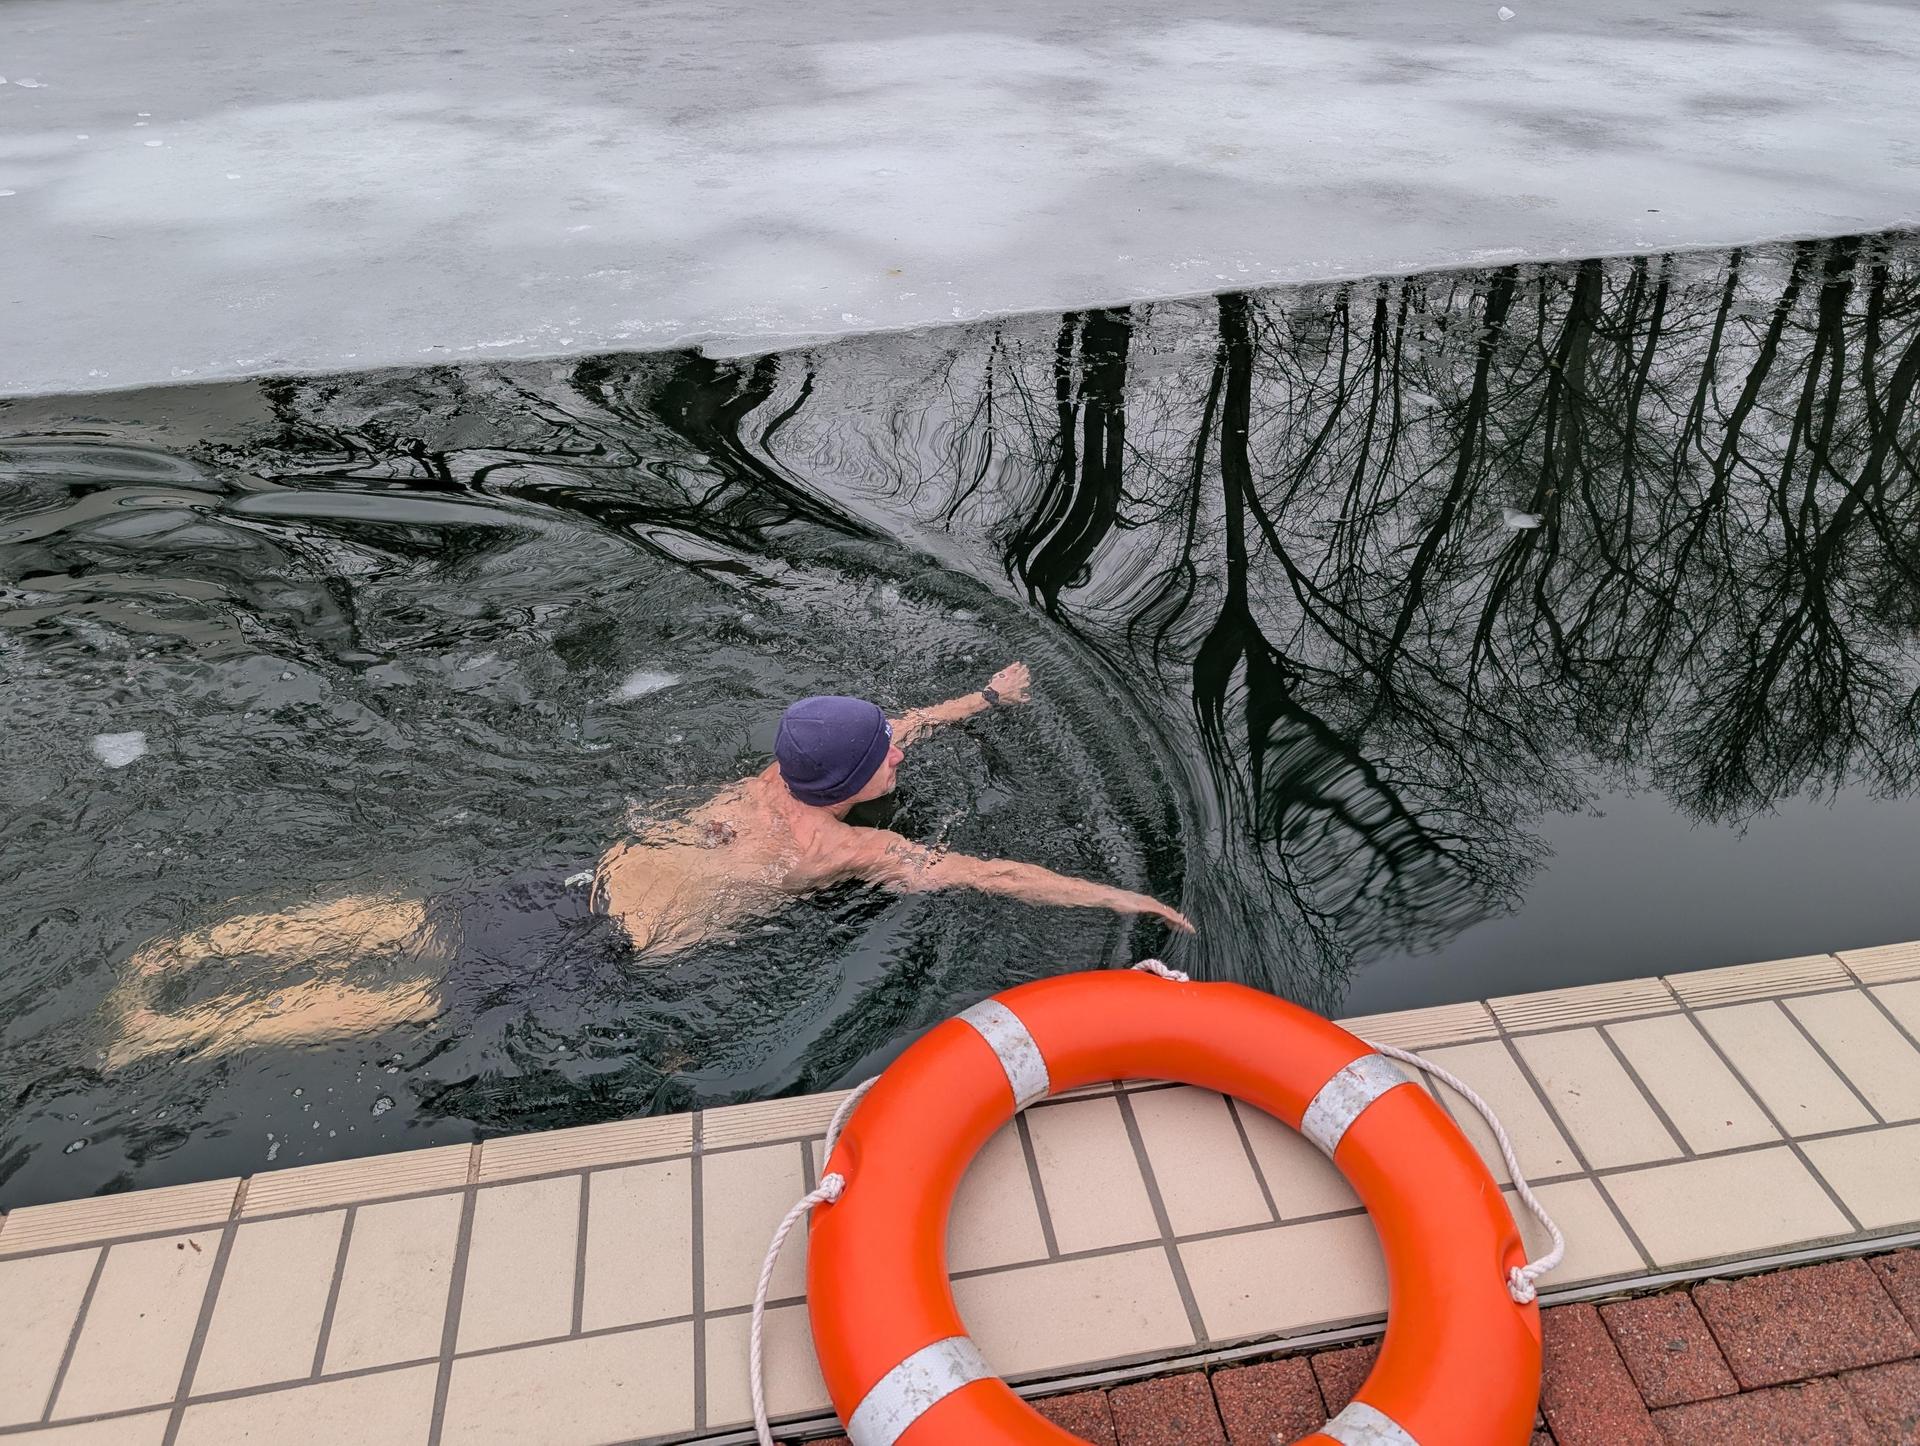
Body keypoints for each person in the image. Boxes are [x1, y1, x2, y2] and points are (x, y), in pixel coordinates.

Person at [108, 662, 1191, 1064]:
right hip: (606, 953)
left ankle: (194, 946)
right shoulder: (853, 847)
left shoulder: (767, 779)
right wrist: (1126, 895)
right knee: (412, 996)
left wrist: (981, 702)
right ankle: (176, 1030)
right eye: (892, 753)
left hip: (574, 885)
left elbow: (889, 720)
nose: (903, 746)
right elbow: (997, 877)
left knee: (402, 917)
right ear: (859, 781)